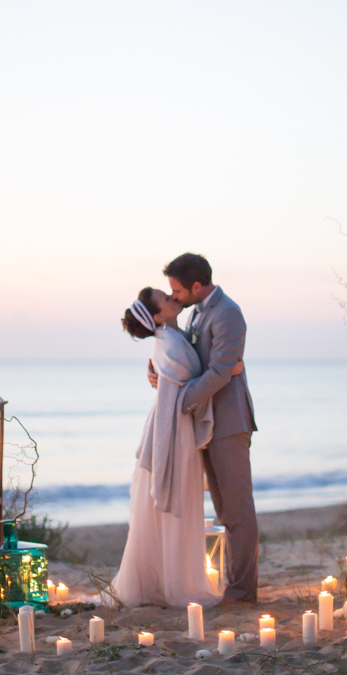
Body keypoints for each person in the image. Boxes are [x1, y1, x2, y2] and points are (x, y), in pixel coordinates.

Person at [112, 287, 232, 607]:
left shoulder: (176, 336)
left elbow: (181, 379)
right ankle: (170, 584)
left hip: (176, 427)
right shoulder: (168, 344)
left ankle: (170, 579)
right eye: (166, 298)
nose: (172, 297)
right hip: (172, 430)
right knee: (175, 500)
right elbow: (190, 377)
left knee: (180, 502)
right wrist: (230, 369)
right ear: (157, 316)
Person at [160, 253, 259, 603]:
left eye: (178, 292)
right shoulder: (197, 313)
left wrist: (180, 399)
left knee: (238, 513)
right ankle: (235, 587)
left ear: (197, 285)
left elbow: (219, 372)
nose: (175, 298)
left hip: (229, 422)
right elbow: (192, 359)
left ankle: (242, 593)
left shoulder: (229, 313)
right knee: (223, 512)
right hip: (208, 422)